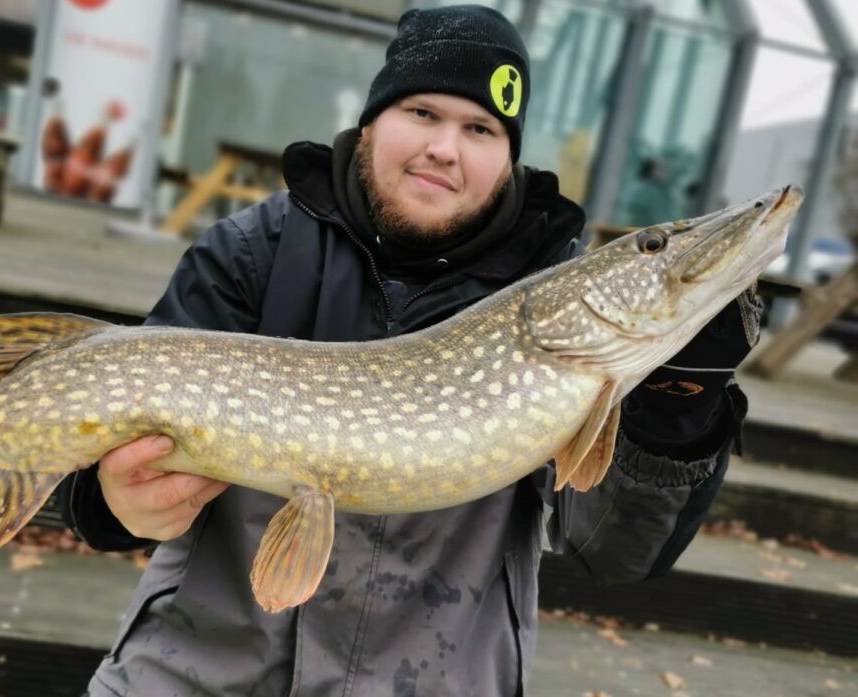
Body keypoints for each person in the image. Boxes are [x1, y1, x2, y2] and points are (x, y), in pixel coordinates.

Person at [59, 6, 758, 696]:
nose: (444, 149)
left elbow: (613, 552)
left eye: (480, 128)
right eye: (422, 113)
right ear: (373, 121)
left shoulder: (556, 312)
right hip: (194, 678)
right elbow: (94, 464)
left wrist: (679, 405)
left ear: (510, 156)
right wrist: (111, 499)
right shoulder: (252, 255)